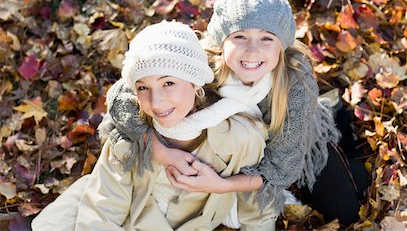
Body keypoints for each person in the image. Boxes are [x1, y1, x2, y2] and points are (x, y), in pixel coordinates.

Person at [93, 0, 366, 226]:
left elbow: (281, 169)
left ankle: (335, 114)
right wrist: (163, 154)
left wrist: (221, 185)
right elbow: (121, 98)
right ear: (221, 41)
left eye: (267, 38)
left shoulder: (294, 82)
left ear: (281, 46)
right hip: (243, 145)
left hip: (295, 140)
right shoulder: (201, 60)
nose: (252, 51)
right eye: (240, 36)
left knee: (346, 211)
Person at [31, 21, 276, 230]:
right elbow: (104, 207)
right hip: (114, 213)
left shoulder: (240, 137)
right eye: (143, 88)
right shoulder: (131, 136)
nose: (156, 102)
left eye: (168, 83)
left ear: (195, 83)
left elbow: (257, 207)